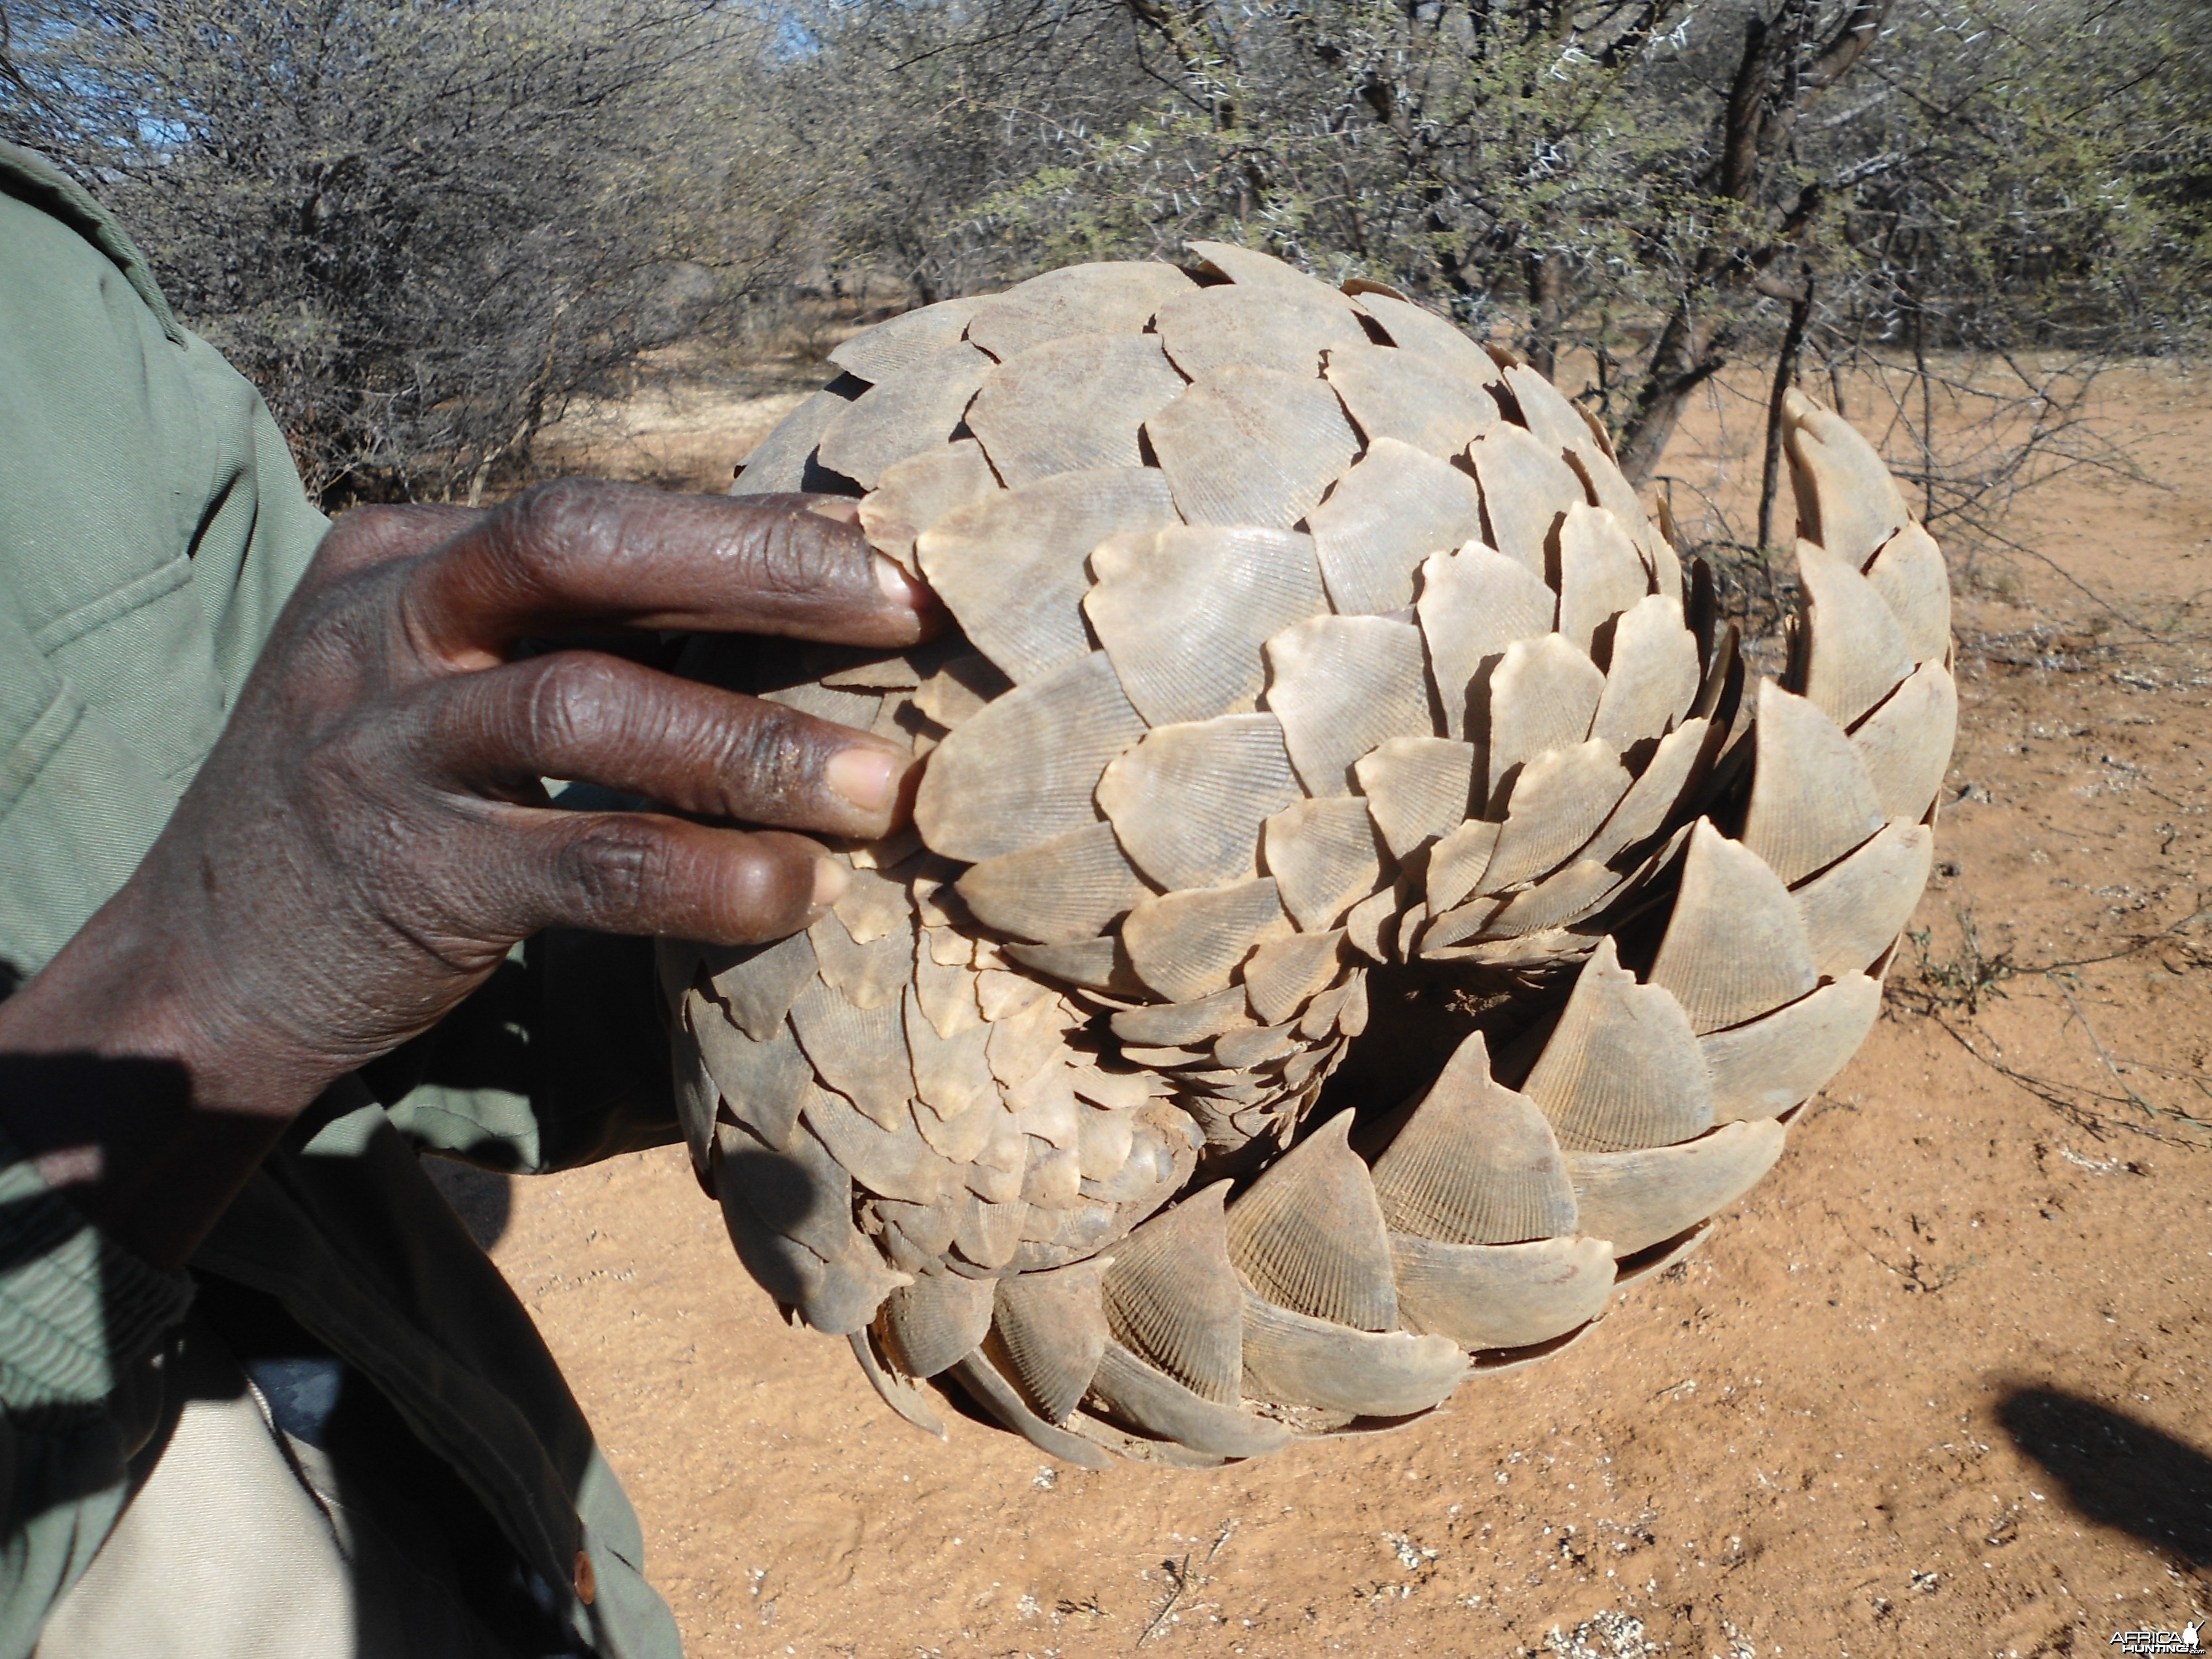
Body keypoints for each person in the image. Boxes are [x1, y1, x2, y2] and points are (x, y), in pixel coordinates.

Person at [0, 139, 933, 1656]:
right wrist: (199, 998)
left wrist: (965, 870)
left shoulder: (29, 292)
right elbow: (245, 951)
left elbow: (392, 937)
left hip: (475, 1523)